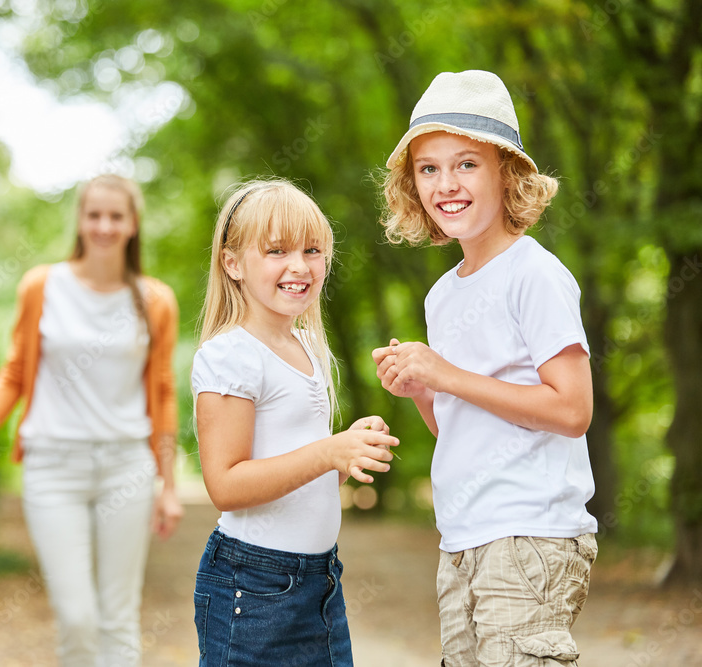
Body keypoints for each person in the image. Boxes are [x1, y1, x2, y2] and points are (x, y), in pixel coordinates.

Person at [371, 70, 598, 666]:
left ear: (507, 172)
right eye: (428, 168)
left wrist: (444, 373)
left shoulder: (535, 274)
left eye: (466, 163)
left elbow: (573, 411)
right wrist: (421, 387)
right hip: (462, 538)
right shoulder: (443, 295)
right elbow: (462, 429)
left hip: (529, 536)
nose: (446, 183)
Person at [0, 173, 183, 666]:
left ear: (133, 224)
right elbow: (14, 374)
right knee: (77, 616)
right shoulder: (42, 286)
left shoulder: (154, 300)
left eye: (116, 216)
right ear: (79, 220)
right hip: (53, 466)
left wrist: (169, 483)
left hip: (125, 466)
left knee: (118, 617)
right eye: (94, 214)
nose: (104, 225)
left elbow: (162, 391)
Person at [191, 178, 399, 665]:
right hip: (254, 585)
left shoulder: (308, 346)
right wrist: (328, 451)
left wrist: (348, 450)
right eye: (277, 250)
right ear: (233, 263)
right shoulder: (230, 356)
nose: (299, 266)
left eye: (313, 250)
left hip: (320, 579)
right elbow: (226, 484)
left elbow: (296, 465)